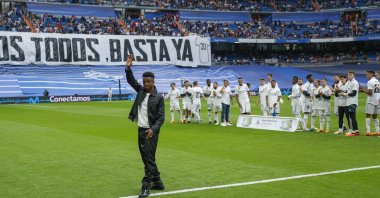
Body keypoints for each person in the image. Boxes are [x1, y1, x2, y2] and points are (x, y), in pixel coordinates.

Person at [125, 55, 165, 198]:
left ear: (153, 82)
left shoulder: (159, 97)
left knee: (148, 159)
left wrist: (153, 130)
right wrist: (128, 66)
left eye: (148, 82)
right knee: (147, 158)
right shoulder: (141, 91)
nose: (146, 84)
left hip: (151, 132)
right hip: (141, 130)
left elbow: (161, 118)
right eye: (144, 82)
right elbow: (131, 80)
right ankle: (158, 181)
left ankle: (146, 185)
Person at [360, 70, 380, 135]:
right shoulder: (378, 81)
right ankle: (377, 131)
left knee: (368, 115)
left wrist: (364, 90)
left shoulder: (370, 82)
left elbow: (370, 93)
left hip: (371, 100)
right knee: (375, 115)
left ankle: (368, 131)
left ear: (371, 74)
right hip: (377, 100)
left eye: (367, 74)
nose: (366, 76)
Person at [345, 71, 360, 136]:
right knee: (351, 117)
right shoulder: (349, 82)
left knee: (352, 117)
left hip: (353, 102)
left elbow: (354, 93)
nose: (349, 76)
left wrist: (345, 94)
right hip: (349, 102)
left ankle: (355, 131)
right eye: (348, 75)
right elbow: (348, 91)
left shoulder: (354, 83)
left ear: (353, 76)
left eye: (351, 75)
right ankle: (355, 130)